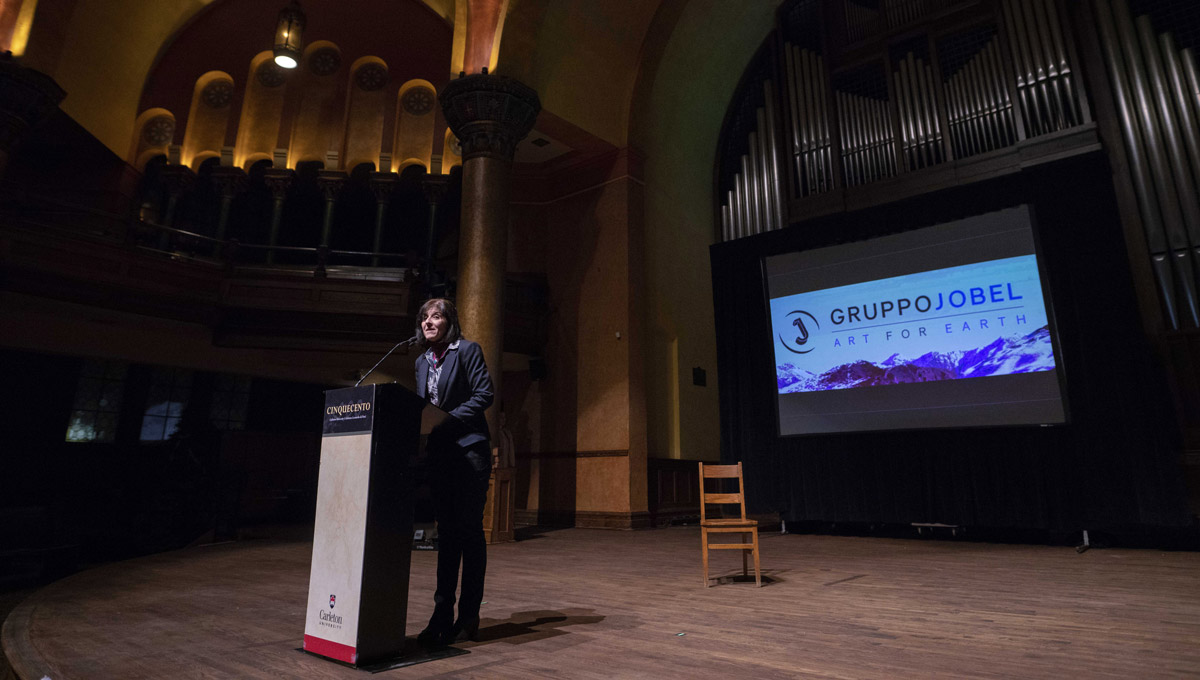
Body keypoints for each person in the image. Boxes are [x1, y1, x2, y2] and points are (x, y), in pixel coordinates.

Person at [413, 297, 493, 646]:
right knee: (446, 535)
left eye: (436, 316)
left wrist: (446, 420)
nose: (428, 322)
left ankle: (469, 617)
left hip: (469, 452)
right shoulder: (421, 362)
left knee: (469, 531)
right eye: (424, 317)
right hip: (440, 456)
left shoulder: (467, 351)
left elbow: (484, 394)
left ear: (449, 322)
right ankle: (440, 616)